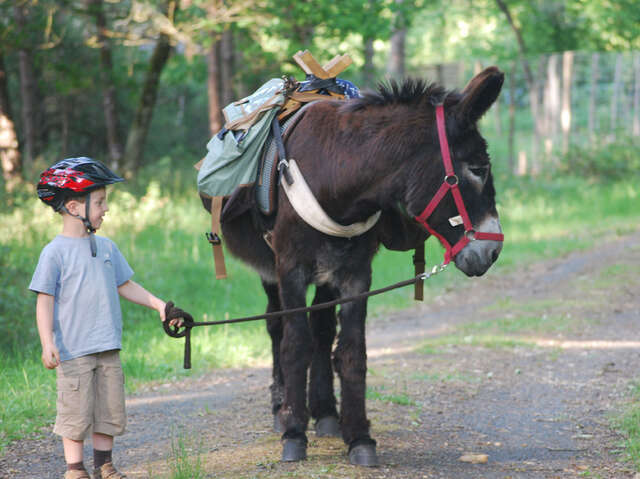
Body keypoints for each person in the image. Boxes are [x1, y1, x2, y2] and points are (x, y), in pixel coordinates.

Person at [29, 157, 190, 479]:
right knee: (75, 413)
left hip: (108, 346)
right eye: (100, 202)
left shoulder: (106, 247)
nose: (105, 209)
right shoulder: (54, 252)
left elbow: (125, 284)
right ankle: (75, 469)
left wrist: (160, 306)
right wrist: (47, 343)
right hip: (74, 351)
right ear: (74, 207)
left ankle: (105, 464)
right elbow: (44, 301)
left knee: (109, 411)